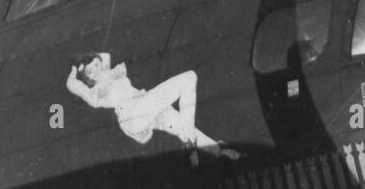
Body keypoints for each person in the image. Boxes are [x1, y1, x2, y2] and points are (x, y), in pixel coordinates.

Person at [66, 52, 241, 164]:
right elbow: (72, 84)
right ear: (88, 78)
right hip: (132, 114)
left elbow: (104, 56)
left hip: (144, 108)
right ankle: (191, 143)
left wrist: (88, 61)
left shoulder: (113, 74)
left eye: (97, 65)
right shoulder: (95, 91)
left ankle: (222, 151)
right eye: (91, 72)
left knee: (183, 125)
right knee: (189, 78)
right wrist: (77, 69)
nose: (97, 69)